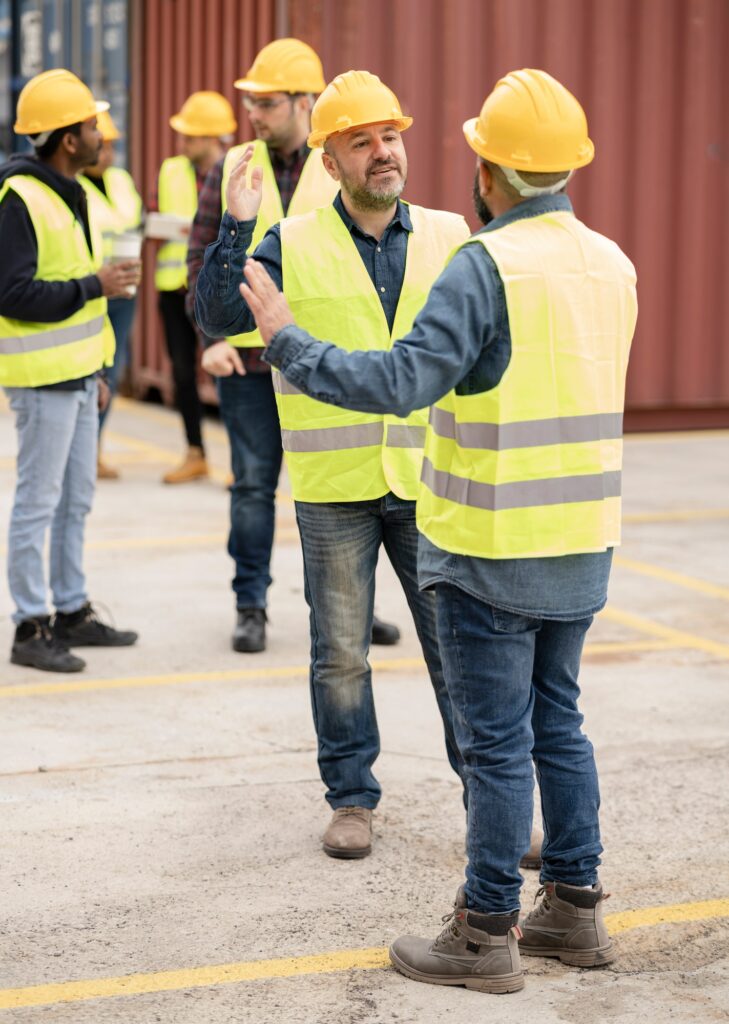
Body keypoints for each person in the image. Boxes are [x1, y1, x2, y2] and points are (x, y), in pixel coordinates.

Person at [239, 68, 638, 993]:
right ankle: (574, 911)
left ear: (490, 170)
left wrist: (288, 341)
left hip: (490, 544)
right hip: (582, 539)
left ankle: (484, 929)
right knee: (559, 728)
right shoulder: (609, 261)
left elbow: (396, 384)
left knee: (496, 746)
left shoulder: (482, 263)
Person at [196, 69, 473, 860]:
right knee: (340, 655)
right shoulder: (291, 241)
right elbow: (217, 316)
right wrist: (236, 228)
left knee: (458, 654)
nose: (383, 152)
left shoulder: (453, 235)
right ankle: (351, 797)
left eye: (390, 136)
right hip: (333, 489)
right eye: (362, 142)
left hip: (431, 481)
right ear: (331, 162)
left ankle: (488, 794)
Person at [188, 39, 400, 653]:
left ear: (306, 102)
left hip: (319, 363)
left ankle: (355, 606)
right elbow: (199, 262)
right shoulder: (232, 165)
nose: (254, 112)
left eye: (269, 102)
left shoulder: (338, 165)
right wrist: (211, 339)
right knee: (253, 487)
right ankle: (250, 605)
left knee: (345, 490)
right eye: (251, 101)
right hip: (248, 363)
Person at [0, 69, 141, 673]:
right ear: (66, 138)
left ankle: (71, 610)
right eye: (90, 126)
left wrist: (99, 369)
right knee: (39, 501)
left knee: (76, 498)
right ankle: (30, 626)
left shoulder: (72, 190)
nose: (99, 135)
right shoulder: (19, 199)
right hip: (41, 380)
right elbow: (12, 294)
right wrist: (96, 284)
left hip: (79, 376)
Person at [155, 90, 236, 484]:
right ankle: (195, 453)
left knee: (227, 372)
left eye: (190, 136)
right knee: (183, 375)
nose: (182, 143)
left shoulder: (238, 168)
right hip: (173, 286)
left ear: (210, 138)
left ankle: (243, 463)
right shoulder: (171, 169)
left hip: (218, 287)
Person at [79, 108, 143, 479]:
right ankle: (84, 450)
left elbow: (132, 220)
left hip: (123, 293)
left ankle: (95, 448)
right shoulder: (73, 186)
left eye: (113, 147)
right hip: (91, 292)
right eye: (103, 145)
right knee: (91, 370)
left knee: (112, 372)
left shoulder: (121, 181)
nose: (108, 154)